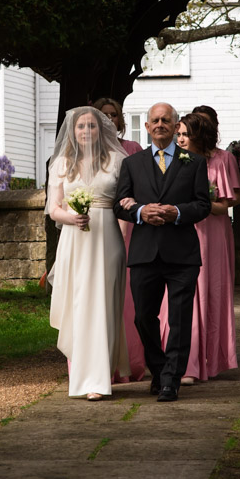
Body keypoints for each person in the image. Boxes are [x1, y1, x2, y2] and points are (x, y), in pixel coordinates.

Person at [112, 102, 212, 402]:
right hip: (144, 253)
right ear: (146, 127)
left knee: (180, 319)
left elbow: (203, 205)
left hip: (182, 255)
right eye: (154, 120)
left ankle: (171, 380)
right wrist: (141, 211)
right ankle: (159, 368)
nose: (160, 125)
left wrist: (176, 212)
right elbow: (120, 203)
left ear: (174, 124)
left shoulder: (192, 162)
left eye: (165, 120)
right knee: (143, 317)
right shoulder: (132, 164)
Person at [46, 106, 130, 401]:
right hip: (74, 239)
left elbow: (127, 199)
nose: (85, 131)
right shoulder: (61, 163)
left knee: (105, 304)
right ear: (73, 131)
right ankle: (81, 377)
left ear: (101, 130)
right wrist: (71, 218)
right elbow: (54, 207)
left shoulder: (119, 161)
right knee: (79, 303)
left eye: (91, 126)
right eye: (80, 126)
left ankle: (100, 378)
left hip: (108, 238)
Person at [165, 110, 240, 384]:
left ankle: (207, 360)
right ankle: (184, 361)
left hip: (209, 234)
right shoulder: (176, 160)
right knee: (180, 296)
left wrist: (201, 203)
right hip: (181, 231)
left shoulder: (221, 161)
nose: (181, 140)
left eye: (186, 134)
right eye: (180, 135)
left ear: (199, 135)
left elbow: (227, 203)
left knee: (208, 293)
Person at [92, 96, 148, 383]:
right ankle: (100, 366)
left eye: (114, 115)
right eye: (104, 115)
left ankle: (133, 363)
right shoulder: (86, 153)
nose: (109, 120)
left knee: (129, 300)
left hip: (132, 230)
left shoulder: (133, 150)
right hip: (97, 232)